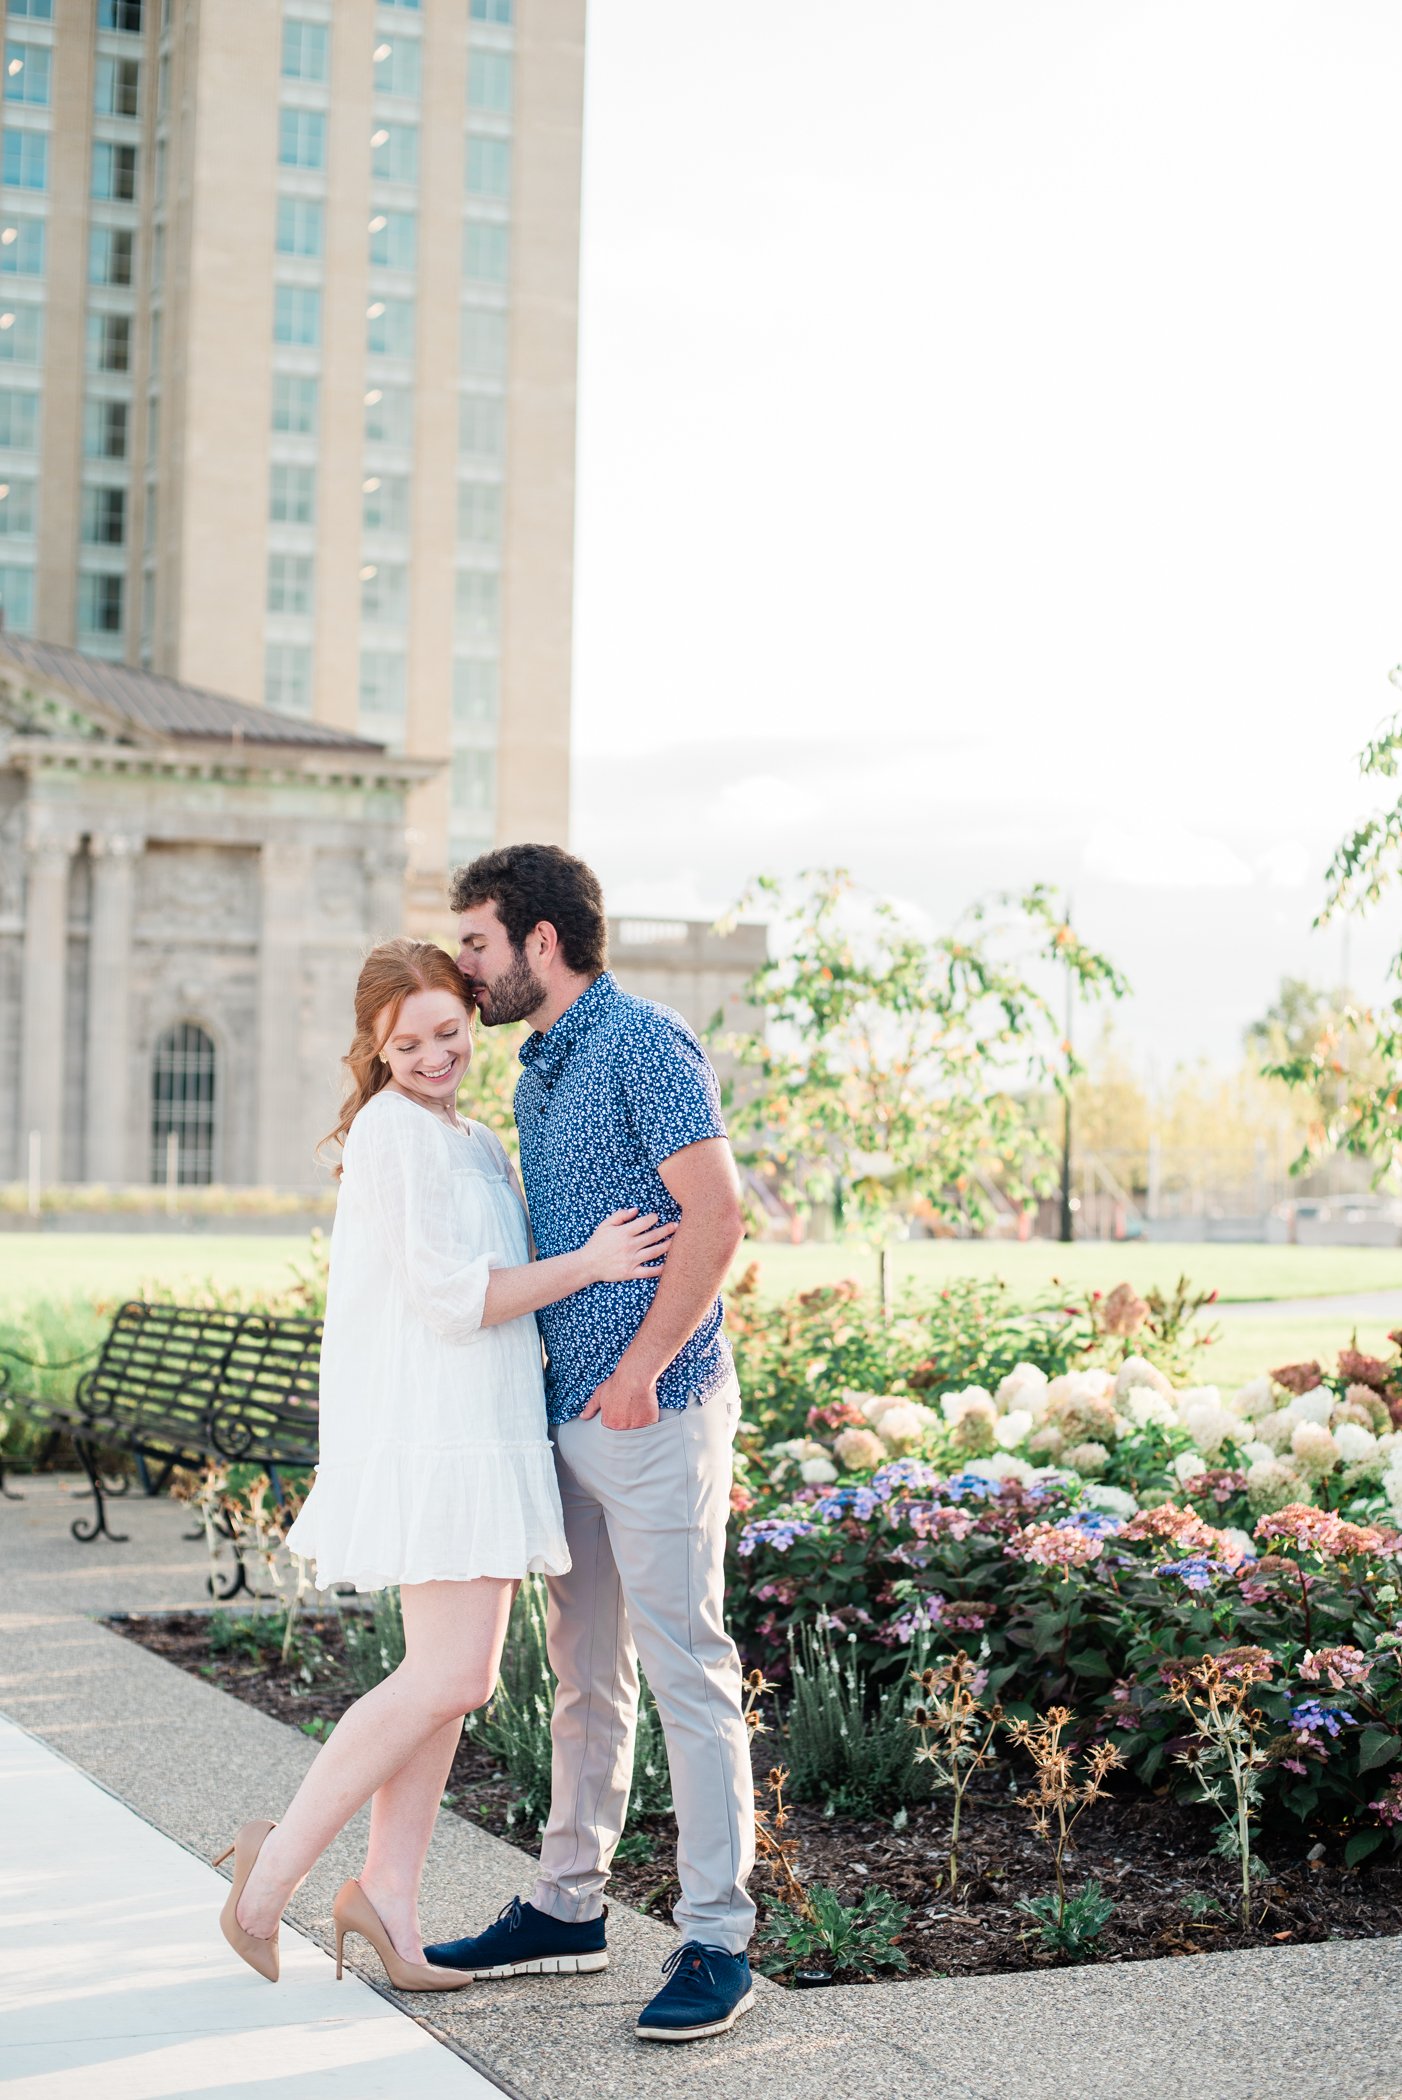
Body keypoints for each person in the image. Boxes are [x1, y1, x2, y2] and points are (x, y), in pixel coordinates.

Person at [215, 938, 675, 1991]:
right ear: (375, 1048)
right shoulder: (388, 1134)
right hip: (437, 1436)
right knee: (450, 1675)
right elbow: (453, 1297)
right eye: (406, 1041)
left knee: (446, 1692)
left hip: (488, 1429)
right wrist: (593, 1264)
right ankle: (268, 1873)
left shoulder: (469, 1137)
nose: (433, 1055)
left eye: (448, 1033)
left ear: (473, 1019)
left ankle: (389, 1900)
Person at [424, 846, 757, 2045]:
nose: (465, 966)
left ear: (541, 942)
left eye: (476, 941)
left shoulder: (641, 1041)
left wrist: (638, 1372)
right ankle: (569, 1905)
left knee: (687, 1670)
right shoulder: (538, 1070)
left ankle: (719, 1938)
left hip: (652, 1410)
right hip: (571, 1417)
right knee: (585, 1676)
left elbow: (717, 1216)